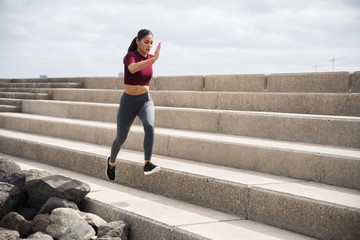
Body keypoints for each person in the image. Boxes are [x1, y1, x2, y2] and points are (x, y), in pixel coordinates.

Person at [106, 29, 161, 180]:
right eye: (146, 42)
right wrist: (153, 59)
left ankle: (147, 163)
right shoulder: (130, 56)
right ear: (137, 41)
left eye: (151, 43)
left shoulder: (150, 57)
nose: (149, 45)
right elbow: (132, 69)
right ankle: (111, 162)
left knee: (149, 125)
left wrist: (152, 58)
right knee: (120, 138)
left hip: (145, 101)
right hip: (128, 102)